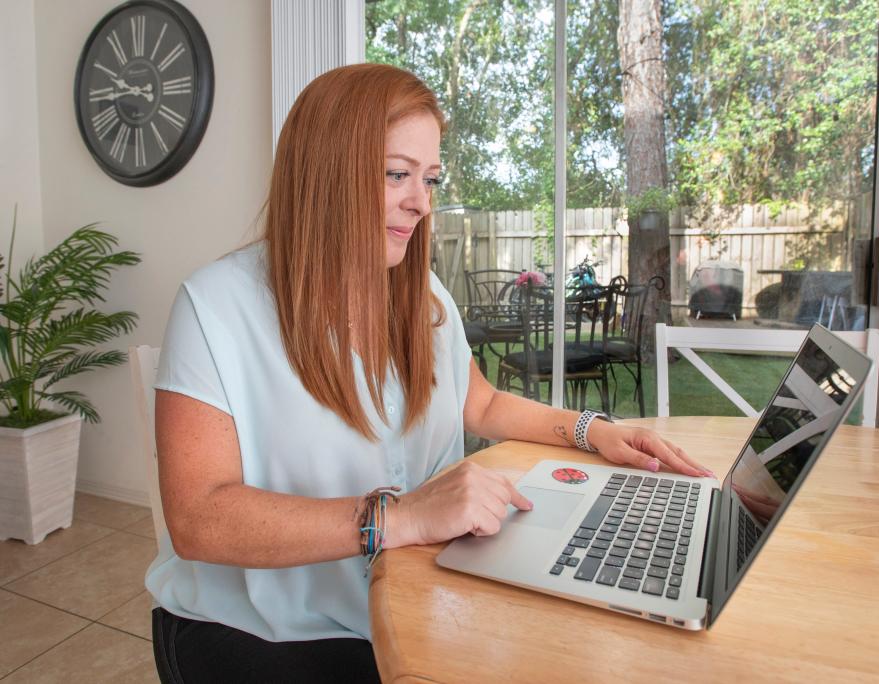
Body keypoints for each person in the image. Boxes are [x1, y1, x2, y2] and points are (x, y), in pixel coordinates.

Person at [147, 63, 710, 683]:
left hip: (399, 600)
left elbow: (484, 405)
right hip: (262, 632)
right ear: (326, 172)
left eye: (430, 178)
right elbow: (199, 517)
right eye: (397, 174)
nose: (421, 203)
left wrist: (593, 429)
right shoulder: (215, 307)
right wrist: (402, 516)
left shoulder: (422, 295)